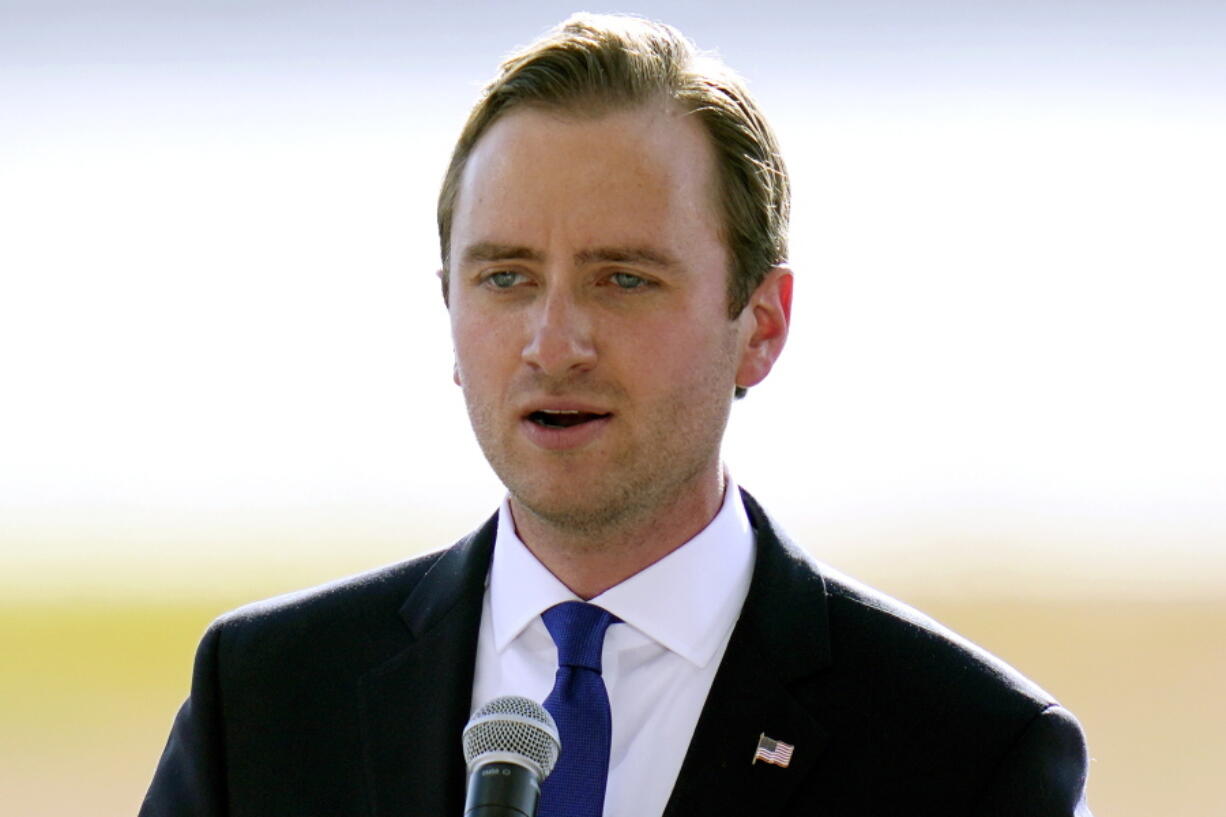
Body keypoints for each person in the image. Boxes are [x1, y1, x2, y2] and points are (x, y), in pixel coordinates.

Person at [141, 13, 1092, 817]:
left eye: (624, 278)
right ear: (448, 306)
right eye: (506, 277)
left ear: (761, 324)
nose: (554, 342)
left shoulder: (972, 753)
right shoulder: (265, 699)